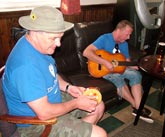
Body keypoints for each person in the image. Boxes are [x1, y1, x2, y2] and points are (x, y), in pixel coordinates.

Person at [2, 6, 107, 137]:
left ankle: (80, 130)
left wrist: (68, 87)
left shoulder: (39, 47)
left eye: (60, 37)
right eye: (53, 38)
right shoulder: (25, 66)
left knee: (97, 105)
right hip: (35, 124)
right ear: (35, 32)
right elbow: (44, 112)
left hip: (51, 100)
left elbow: (50, 73)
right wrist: (76, 103)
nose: (58, 44)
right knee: (100, 134)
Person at [83, 20, 154, 123]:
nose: (129, 37)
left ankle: (138, 107)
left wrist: (132, 66)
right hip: (103, 70)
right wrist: (105, 62)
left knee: (136, 75)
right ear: (118, 30)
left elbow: (125, 61)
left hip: (118, 69)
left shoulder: (123, 43)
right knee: (117, 77)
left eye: (130, 35)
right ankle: (137, 107)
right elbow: (86, 52)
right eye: (127, 34)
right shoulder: (104, 38)